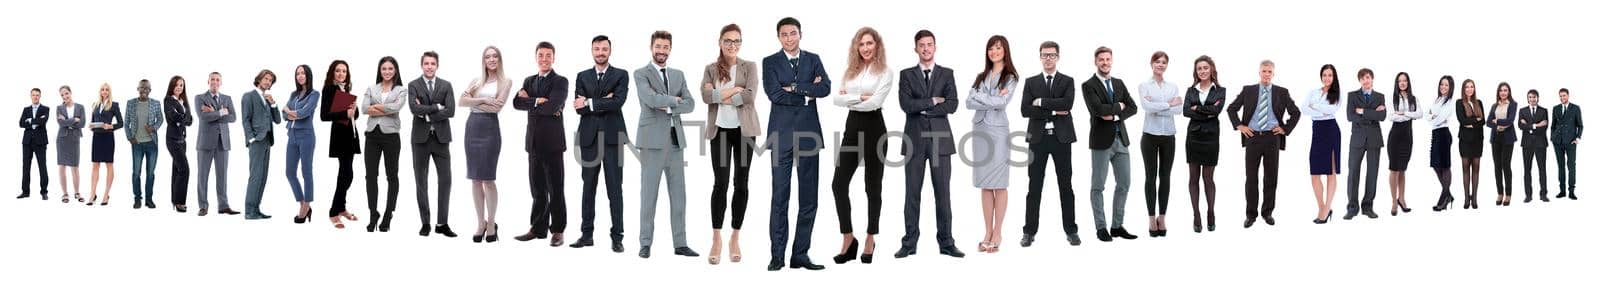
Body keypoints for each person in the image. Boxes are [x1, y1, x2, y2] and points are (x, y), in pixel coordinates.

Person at [764, 17, 832, 271]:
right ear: (778, 37)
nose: (789, 38)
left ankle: (800, 254)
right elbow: (774, 94)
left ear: (800, 34)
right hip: (780, 136)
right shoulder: (770, 62)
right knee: (779, 197)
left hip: (809, 135)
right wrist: (806, 94)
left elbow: (825, 88)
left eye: (793, 33)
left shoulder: (813, 59)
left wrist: (793, 87)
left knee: (809, 198)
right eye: (784, 34)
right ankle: (777, 255)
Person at [894, 29, 962, 261]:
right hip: (913, 141)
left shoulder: (947, 74)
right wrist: (933, 101)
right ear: (916, 48)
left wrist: (921, 107)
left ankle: (947, 243)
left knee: (943, 194)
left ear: (935, 47)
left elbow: (952, 104)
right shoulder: (905, 75)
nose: (925, 48)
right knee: (912, 194)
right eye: (921, 45)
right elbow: (905, 104)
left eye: (929, 44)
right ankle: (909, 243)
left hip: (941, 142)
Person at [632, 30, 699, 259]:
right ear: (652, 47)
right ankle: (645, 243)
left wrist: (668, 105)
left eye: (665, 47)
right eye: (658, 46)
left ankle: (680, 243)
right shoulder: (641, 73)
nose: (662, 51)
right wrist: (674, 101)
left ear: (670, 49)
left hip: (675, 142)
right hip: (651, 142)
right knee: (648, 195)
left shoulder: (679, 75)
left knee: (679, 196)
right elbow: (649, 100)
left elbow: (690, 104)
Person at [829, 27, 890, 264]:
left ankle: (870, 237)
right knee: (838, 184)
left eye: (869, 43)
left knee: (872, 188)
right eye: (861, 44)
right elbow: (836, 99)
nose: (865, 47)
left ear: (877, 45)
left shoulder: (886, 72)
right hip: (852, 129)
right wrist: (861, 98)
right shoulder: (850, 71)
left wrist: (852, 99)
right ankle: (848, 237)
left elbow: (875, 103)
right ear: (857, 47)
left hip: (875, 129)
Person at [701, 23, 760, 265]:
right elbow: (705, 97)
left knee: (741, 183)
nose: (732, 45)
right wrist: (734, 90)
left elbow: (749, 96)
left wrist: (721, 94)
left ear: (741, 43)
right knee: (721, 183)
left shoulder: (750, 67)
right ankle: (717, 237)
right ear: (720, 42)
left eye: (736, 41)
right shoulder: (711, 69)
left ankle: (735, 236)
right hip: (721, 132)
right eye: (728, 41)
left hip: (745, 132)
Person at [571, 36, 630, 251]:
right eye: (597, 49)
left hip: (614, 139)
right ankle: (586, 235)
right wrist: (603, 100)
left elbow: (618, 102)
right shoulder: (582, 76)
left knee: (615, 189)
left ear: (610, 50)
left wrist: (590, 102)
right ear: (591, 51)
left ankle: (618, 237)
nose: (600, 52)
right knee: (588, 188)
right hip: (589, 139)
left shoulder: (621, 75)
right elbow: (578, 108)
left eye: (604, 49)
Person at [1227, 60, 1301, 228]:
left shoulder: (1282, 92)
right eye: (1264, 71)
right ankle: (1251, 215)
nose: (1266, 74)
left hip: (1272, 139)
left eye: (1269, 71)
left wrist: (1284, 128)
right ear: (1259, 72)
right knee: (1251, 178)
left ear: (1273, 74)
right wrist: (1239, 125)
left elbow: (1296, 112)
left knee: (1271, 177)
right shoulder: (1248, 90)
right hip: (1252, 137)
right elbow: (1231, 109)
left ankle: (1267, 212)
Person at [1020, 41, 1080, 245]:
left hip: (1061, 139)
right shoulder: (1030, 82)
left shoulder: (1067, 81)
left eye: (1052, 55)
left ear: (1058, 57)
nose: (1048, 58)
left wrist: (1041, 102)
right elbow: (1025, 110)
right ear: (1040, 57)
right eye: (1045, 55)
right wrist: (1055, 110)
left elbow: (1068, 104)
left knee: (1066, 185)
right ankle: (1029, 232)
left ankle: (1071, 230)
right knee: (1034, 186)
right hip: (1037, 140)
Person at [512, 43, 567, 245]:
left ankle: (558, 230)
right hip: (533, 144)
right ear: (536, 57)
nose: (544, 59)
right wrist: (539, 101)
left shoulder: (560, 81)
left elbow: (554, 104)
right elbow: (516, 103)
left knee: (556, 189)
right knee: (537, 189)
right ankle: (538, 228)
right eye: (541, 55)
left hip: (553, 144)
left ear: (554, 58)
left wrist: (534, 102)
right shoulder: (529, 80)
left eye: (548, 55)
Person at [1081, 46, 1138, 242]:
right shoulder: (1088, 85)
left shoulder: (1119, 83)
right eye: (1101, 60)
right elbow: (1097, 109)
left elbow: (1133, 107)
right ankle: (1101, 227)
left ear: (1111, 61)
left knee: (1124, 183)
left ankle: (1117, 225)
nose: (1105, 63)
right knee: (1098, 185)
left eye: (1108, 59)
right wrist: (1119, 107)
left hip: (1121, 139)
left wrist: (1113, 113)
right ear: (1095, 62)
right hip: (1101, 142)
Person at [968, 35, 1017, 252]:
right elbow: (968, 102)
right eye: (991, 48)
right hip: (979, 130)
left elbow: (1003, 103)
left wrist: (982, 97)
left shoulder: (1011, 76)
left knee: (999, 182)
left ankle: (998, 232)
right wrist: (991, 97)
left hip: (998, 131)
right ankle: (987, 230)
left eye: (998, 48)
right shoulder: (981, 76)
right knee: (985, 183)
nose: (994, 52)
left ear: (1005, 50)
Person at [461, 46, 513, 242]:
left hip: (490, 130)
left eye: (495, 56)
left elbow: (497, 108)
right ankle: (480, 222)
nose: (491, 59)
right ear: (483, 60)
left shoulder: (505, 82)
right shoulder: (476, 81)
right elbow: (461, 101)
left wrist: (473, 100)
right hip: (472, 128)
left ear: (499, 59)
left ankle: (491, 222)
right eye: (487, 57)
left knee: (488, 179)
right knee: (475, 179)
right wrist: (483, 99)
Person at [409, 51, 458, 237]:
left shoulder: (446, 85)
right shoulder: (413, 85)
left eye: (432, 64)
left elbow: (451, 110)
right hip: (420, 140)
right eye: (426, 63)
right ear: (422, 65)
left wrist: (427, 113)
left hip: (441, 139)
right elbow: (414, 108)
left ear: (437, 66)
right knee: (421, 181)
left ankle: (442, 223)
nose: (429, 66)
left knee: (445, 181)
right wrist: (437, 107)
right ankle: (425, 223)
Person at [1137, 51, 1180, 237]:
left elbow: (1178, 109)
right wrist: (1168, 104)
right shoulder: (1144, 85)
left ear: (1166, 65)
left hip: (1169, 136)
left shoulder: (1173, 86)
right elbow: (1146, 108)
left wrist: (1160, 105)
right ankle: (1150, 217)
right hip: (1150, 136)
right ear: (1151, 64)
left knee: (1165, 177)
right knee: (1150, 176)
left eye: (1163, 62)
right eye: (1157, 62)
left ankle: (1162, 217)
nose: (1160, 65)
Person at [362, 57, 407, 231]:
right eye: (383, 69)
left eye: (390, 68)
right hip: (372, 135)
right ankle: (374, 213)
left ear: (395, 70)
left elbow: (396, 108)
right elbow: (365, 108)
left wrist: (377, 106)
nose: (387, 72)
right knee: (370, 176)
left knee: (392, 176)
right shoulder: (371, 88)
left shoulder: (402, 89)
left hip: (391, 137)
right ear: (379, 71)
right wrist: (387, 106)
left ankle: (388, 213)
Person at [1183, 56, 1225, 232]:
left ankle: (1211, 212)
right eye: (1199, 68)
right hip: (1193, 137)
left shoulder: (1220, 90)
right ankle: (1196, 215)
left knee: (1208, 178)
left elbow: (1216, 111)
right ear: (1196, 72)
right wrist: (1206, 111)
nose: (1202, 71)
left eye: (1205, 68)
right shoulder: (1191, 90)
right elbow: (1186, 111)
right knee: (1193, 177)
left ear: (1211, 69)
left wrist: (1197, 109)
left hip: (1211, 139)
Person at [319, 60, 362, 227]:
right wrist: (346, 112)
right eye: (338, 71)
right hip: (340, 137)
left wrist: (354, 109)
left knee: (347, 174)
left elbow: (354, 115)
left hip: (351, 134)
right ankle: (333, 212)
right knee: (345, 174)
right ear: (333, 73)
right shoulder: (329, 89)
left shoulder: (346, 89)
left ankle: (342, 207)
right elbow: (324, 115)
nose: (341, 74)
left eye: (344, 71)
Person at [195, 72, 239, 216]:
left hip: (223, 143)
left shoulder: (227, 98)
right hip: (205, 142)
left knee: (222, 176)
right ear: (208, 81)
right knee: (203, 176)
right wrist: (221, 112)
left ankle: (223, 206)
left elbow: (233, 118)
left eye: (217, 80)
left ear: (221, 82)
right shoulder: (200, 98)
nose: (215, 82)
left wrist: (214, 112)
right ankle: (203, 206)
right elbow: (203, 116)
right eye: (212, 79)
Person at [1344, 68, 1385, 220]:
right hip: (1357, 139)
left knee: (1372, 174)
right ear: (1359, 81)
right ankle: (1352, 208)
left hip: (1374, 139)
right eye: (1362, 78)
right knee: (1353, 172)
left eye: (1368, 77)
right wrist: (1372, 113)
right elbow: (1350, 116)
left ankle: (1368, 207)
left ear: (1372, 78)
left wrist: (1362, 111)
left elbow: (1382, 116)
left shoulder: (1380, 96)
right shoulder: (1352, 95)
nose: (1365, 81)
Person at [241, 69, 282, 220]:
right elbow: (245, 119)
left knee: (263, 176)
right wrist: (251, 138)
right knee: (255, 176)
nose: (268, 82)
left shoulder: (268, 98)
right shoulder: (249, 96)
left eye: (270, 80)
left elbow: (278, 120)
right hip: (257, 141)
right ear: (259, 79)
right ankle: (249, 210)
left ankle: (256, 209)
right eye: (266, 79)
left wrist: (273, 104)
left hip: (267, 141)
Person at [1303, 64, 1342, 224]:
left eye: (1330, 75)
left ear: (1334, 77)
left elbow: (1332, 110)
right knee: (1315, 174)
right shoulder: (1313, 92)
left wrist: (1315, 107)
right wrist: (1322, 110)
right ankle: (1323, 207)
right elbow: (1304, 109)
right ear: (1321, 76)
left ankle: (1326, 210)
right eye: (1325, 75)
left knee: (1330, 172)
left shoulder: (1338, 94)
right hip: (1317, 132)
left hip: (1331, 131)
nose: (1327, 78)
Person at [284, 65, 320, 223]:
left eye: (303, 73)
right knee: (290, 172)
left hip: (306, 136)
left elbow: (306, 112)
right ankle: (302, 202)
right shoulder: (294, 94)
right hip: (291, 135)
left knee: (306, 171)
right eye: (297, 73)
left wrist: (289, 111)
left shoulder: (314, 94)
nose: (300, 76)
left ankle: (306, 205)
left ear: (308, 75)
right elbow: (283, 115)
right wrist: (289, 113)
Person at [1387, 72, 1421, 215]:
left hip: (1408, 137)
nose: (1402, 83)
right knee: (1394, 169)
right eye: (1400, 81)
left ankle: (1402, 198)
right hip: (1395, 137)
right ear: (1397, 83)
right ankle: (1394, 201)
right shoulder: (1392, 97)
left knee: (1403, 169)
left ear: (1408, 82)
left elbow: (1419, 114)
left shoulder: (1414, 98)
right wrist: (1407, 115)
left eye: (1404, 80)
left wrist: (1403, 113)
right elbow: (1391, 116)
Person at [125, 80, 162, 209]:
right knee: (136, 173)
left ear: (150, 90)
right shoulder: (131, 103)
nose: (144, 90)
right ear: (137, 88)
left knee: (150, 173)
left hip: (152, 143)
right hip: (137, 143)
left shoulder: (156, 103)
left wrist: (154, 128)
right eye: (142, 87)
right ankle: (137, 199)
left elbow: (161, 119)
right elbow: (126, 122)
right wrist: (130, 137)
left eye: (146, 88)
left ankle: (149, 199)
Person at [87, 83, 124, 206]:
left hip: (108, 137)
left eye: (107, 90)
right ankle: (92, 194)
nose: (104, 91)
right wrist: (91, 126)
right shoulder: (95, 105)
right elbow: (92, 121)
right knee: (95, 165)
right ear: (100, 91)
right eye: (102, 89)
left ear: (109, 92)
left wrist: (111, 126)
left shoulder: (114, 105)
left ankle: (106, 194)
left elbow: (121, 123)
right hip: (96, 137)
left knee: (109, 164)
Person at [164, 77, 193, 212]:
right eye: (176, 85)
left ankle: (174, 201)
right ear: (172, 86)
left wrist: (182, 118)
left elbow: (190, 120)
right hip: (172, 140)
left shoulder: (183, 101)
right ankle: (180, 202)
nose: (179, 87)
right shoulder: (168, 100)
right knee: (184, 169)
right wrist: (183, 118)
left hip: (183, 140)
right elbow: (172, 117)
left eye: (181, 85)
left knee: (177, 170)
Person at [1456, 80, 1486, 209]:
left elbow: (1483, 121)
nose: (1469, 89)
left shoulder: (1479, 102)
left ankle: (1474, 198)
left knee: (1476, 168)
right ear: (1463, 89)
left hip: (1478, 140)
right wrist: (1476, 120)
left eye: (1471, 86)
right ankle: (1466, 198)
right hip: (1465, 140)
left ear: (1474, 88)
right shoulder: (1459, 103)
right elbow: (1462, 120)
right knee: (1465, 168)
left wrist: (1471, 123)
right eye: (1467, 87)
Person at [1429, 76, 1457, 211]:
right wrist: (1433, 117)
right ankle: (1448, 195)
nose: (1443, 87)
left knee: (1445, 166)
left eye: (1446, 85)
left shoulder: (1450, 102)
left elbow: (1439, 118)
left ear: (1450, 87)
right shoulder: (1437, 100)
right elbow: (1427, 117)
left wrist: (1434, 117)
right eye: (1442, 84)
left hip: (1444, 134)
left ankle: (1443, 198)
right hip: (1435, 134)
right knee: (1435, 164)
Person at [1488, 82, 1518, 206]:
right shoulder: (1494, 105)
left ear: (1509, 92)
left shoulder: (1513, 104)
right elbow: (1488, 122)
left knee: (1506, 165)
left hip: (1508, 139)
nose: (1503, 92)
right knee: (1497, 166)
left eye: (1505, 90)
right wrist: (1500, 124)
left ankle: (1508, 194)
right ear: (1498, 92)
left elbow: (1510, 120)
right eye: (1501, 90)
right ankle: (1500, 193)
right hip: (1495, 138)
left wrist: (1497, 121)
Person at [19, 88, 51, 200]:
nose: (35, 97)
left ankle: (44, 192)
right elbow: (21, 123)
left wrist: (30, 120)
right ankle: (25, 191)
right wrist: (35, 121)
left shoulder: (45, 109)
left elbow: (43, 121)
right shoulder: (26, 109)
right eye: (33, 95)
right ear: (30, 96)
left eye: (37, 95)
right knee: (26, 167)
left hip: (40, 142)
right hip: (27, 142)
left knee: (42, 166)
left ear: (40, 96)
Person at [1519, 89, 1549, 202]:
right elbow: (1520, 126)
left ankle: (1543, 194)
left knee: (1542, 169)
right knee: (1527, 170)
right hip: (1527, 144)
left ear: (1538, 98)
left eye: (1534, 97)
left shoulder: (1544, 111)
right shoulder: (1522, 111)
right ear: (1528, 98)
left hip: (1541, 144)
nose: (1532, 99)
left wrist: (1529, 126)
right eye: (1530, 97)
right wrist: (1536, 125)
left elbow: (1544, 127)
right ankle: (1528, 195)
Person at [1551, 88, 1581, 200]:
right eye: (1560, 96)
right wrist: (1552, 137)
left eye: (1564, 95)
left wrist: (1577, 138)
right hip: (1557, 142)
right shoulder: (1556, 108)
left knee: (1571, 166)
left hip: (1570, 142)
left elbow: (1580, 125)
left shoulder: (1575, 108)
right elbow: (1553, 125)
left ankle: (1571, 191)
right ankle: (1562, 191)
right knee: (1561, 166)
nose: (1562, 98)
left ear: (1568, 95)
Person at [57, 86, 84, 204]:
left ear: (70, 93)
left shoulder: (80, 107)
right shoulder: (59, 108)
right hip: (62, 139)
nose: (65, 96)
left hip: (74, 139)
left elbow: (82, 123)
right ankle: (65, 193)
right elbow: (60, 123)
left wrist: (68, 121)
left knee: (75, 166)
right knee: (62, 166)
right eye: (62, 95)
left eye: (66, 93)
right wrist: (75, 120)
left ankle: (77, 192)